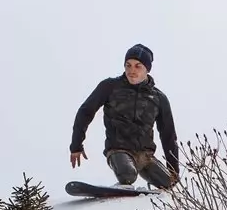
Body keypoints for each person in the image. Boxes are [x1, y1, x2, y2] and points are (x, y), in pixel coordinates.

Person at [69, 43, 180, 189]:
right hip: (118, 150)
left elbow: (168, 135)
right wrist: (76, 145)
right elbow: (86, 111)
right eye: (128, 65)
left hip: (145, 156)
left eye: (137, 66)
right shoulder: (110, 86)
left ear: (147, 69)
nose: (131, 70)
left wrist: (173, 170)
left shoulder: (159, 98)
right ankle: (121, 190)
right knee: (127, 175)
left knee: (169, 183)